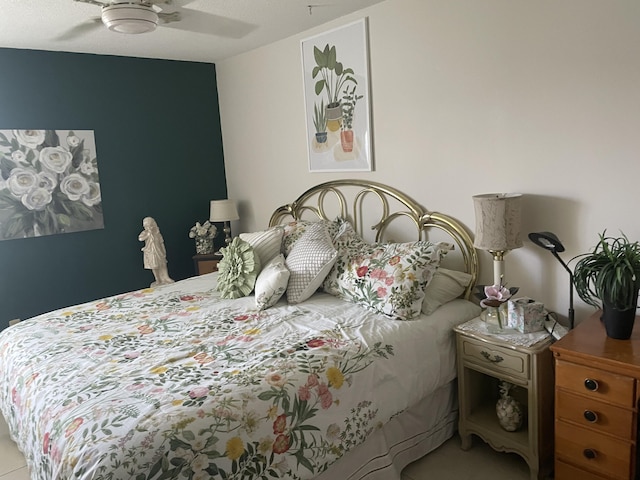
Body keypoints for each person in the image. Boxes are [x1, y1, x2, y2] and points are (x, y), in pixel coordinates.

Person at [138, 216, 174, 287]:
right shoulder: (144, 233)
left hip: (158, 250)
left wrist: (163, 251)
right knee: (154, 266)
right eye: (147, 226)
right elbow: (140, 238)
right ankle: (158, 279)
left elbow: (161, 242)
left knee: (163, 263)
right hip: (150, 252)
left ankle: (166, 277)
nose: (149, 227)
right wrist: (148, 235)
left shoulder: (157, 233)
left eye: (150, 225)